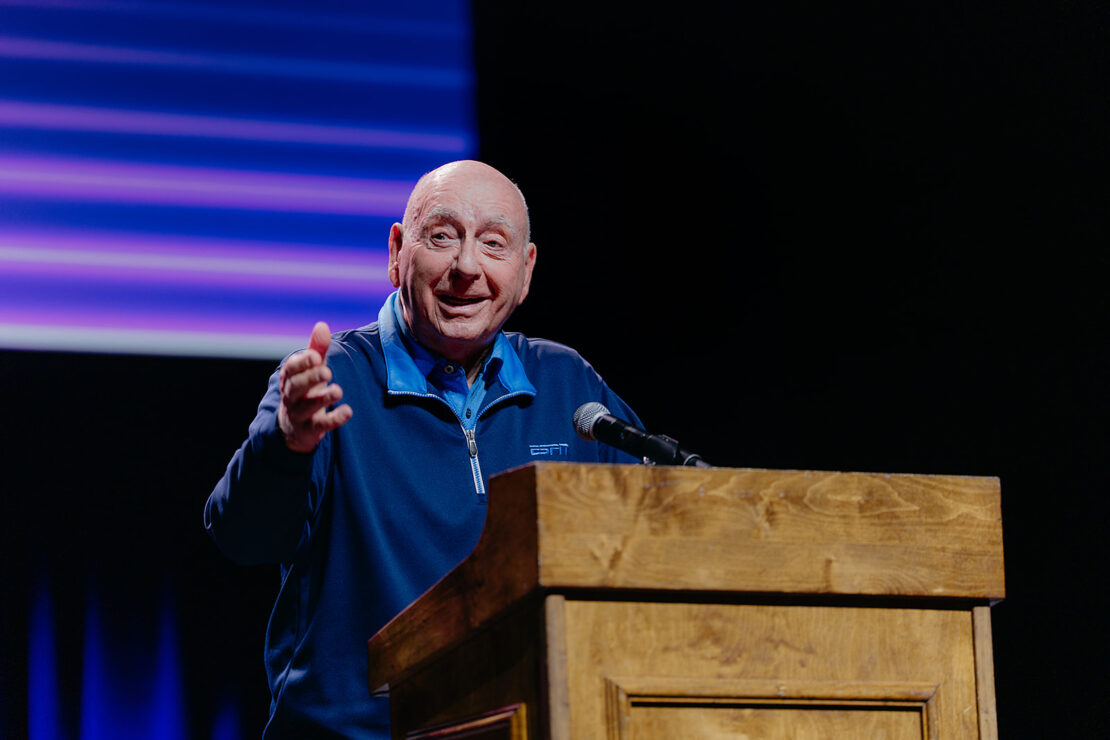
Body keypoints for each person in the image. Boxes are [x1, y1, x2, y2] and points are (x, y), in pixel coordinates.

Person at [204, 160, 642, 739]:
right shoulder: (331, 381)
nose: (467, 267)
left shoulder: (567, 384)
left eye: (493, 244)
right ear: (396, 253)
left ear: (525, 270)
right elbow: (241, 538)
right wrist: (288, 441)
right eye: (442, 237)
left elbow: (654, 535)